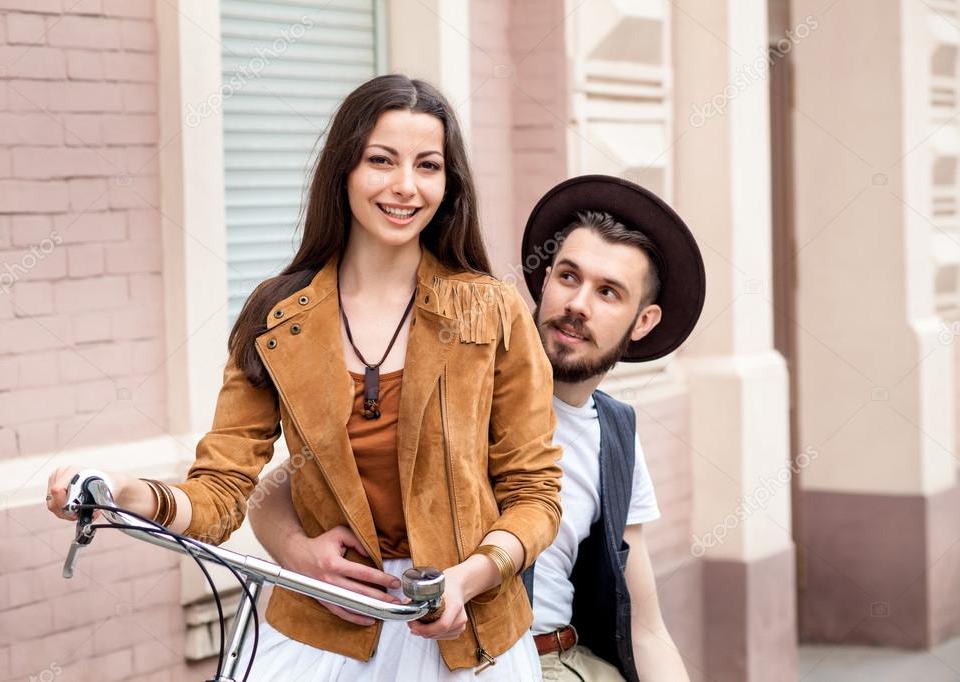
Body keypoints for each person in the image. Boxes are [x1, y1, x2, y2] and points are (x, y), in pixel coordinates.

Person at [44, 74, 563, 681]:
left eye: (428, 166)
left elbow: (535, 494)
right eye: (381, 161)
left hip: (469, 639)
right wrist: (124, 494)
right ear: (344, 170)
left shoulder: (489, 309)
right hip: (319, 637)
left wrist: (468, 577)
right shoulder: (276, 315)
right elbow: (221, 494)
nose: (404, 186)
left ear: (449, 185)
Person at [250, 175, 705, 682]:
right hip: (450, 656)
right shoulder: (458, 383)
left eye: (609, 293)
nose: (578, 304)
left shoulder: (615, 433)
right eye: (569, 277)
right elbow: (283, 484)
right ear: (544, 278)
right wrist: (297, 552)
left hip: (568, 660)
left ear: (643, 322)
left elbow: (646, 630)